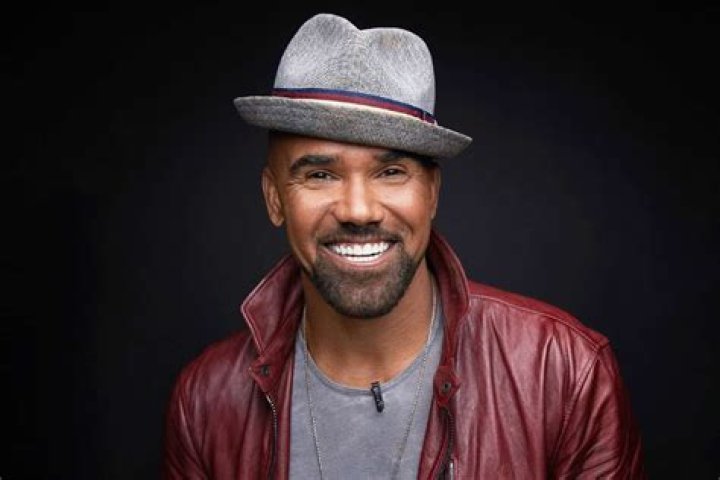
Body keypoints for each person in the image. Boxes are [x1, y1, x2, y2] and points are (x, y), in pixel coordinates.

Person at [162, 13, 645, 479]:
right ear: (274, 198)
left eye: (391, 172)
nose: (358, 209)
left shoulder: (564, 372)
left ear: (431, 194)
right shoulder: (203, 401)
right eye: (320, 175)